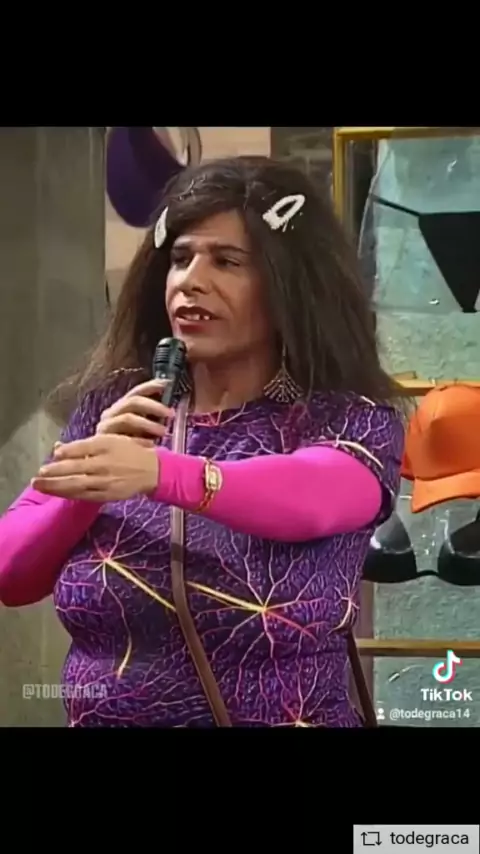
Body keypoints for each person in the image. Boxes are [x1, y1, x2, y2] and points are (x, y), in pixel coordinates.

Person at [0, 156, 405, 727]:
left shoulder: (346, 418)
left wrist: (161, 474)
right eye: (181, 258)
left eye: (227, 261)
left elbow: (315, 497)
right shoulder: (116, 407)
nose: (190, 281)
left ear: (289, 284)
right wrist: (88, 487)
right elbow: (12, 574)